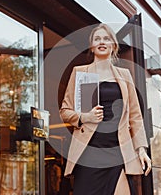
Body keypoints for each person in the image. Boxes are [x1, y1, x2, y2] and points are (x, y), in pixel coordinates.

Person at [59, 23, 151, 195]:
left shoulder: (124, 75)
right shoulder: (81, 73)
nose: (102, 42)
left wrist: (141, 149)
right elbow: (65, 111)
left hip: (117, 151)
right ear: (92, 46)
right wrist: (85, 117)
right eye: (97, 39)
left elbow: (135, 116)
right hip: (89, 153)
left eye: (106, 38)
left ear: (113, 45)